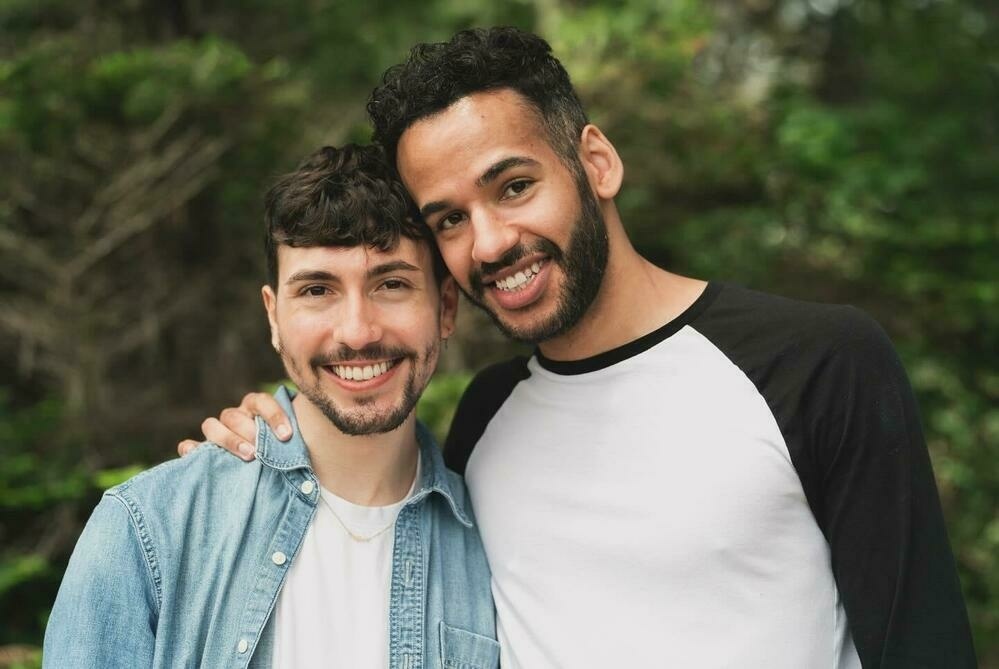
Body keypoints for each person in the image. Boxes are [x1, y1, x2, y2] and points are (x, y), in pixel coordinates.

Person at [184, 27, 976, 668]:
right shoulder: (485, 421)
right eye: (448, 219)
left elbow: (922, 642)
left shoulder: (817, 361)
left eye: (513, 186)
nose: (489, 241)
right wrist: (265, 434)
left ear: (595, 162)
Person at [45, 144, 498, 668]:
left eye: (391, 284)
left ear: (445, 308)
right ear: (274, 317)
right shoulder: (148, 528)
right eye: (317, 290)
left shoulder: (497, 544)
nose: (357, 332)